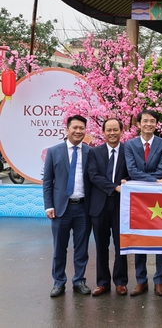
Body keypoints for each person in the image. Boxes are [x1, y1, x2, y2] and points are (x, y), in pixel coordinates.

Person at [43, 115, 92, 297]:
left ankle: (79, 281)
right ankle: (59, 282)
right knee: (59, 248)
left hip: (83, 208)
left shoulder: (89, 152)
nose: (78, 131)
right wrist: (49, 206)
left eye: (82, 128)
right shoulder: (54, 151)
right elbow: (47, 181)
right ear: (67, 129)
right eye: (75, 128)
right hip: (61, 208)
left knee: (81, 248)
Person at [124, 109, 162, 297]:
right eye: (145, 121)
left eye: (152, 121)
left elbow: (161, 170)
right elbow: (132, 171)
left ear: (157, 124)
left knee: (159, 238)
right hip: (138, 198)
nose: (149, 124)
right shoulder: (129, 145)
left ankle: (160, 280)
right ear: (138, 124)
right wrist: (152, 180)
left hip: (158, 198)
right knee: (140, 237)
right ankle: (140, 280)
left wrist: (153, 180)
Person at [87, 118, 130, 296]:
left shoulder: (128, 151)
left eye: (115, 130)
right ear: (103, 132)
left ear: (122, 131)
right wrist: (114, 187)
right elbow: (93, 175)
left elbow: (132, 173)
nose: (112, 133)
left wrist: (128, 182)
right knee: (101, 246)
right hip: (100, 205)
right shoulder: (94, 152)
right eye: (109, 130)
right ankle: (103, 282)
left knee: (122, 245)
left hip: (121, 205)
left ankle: (120, 282)